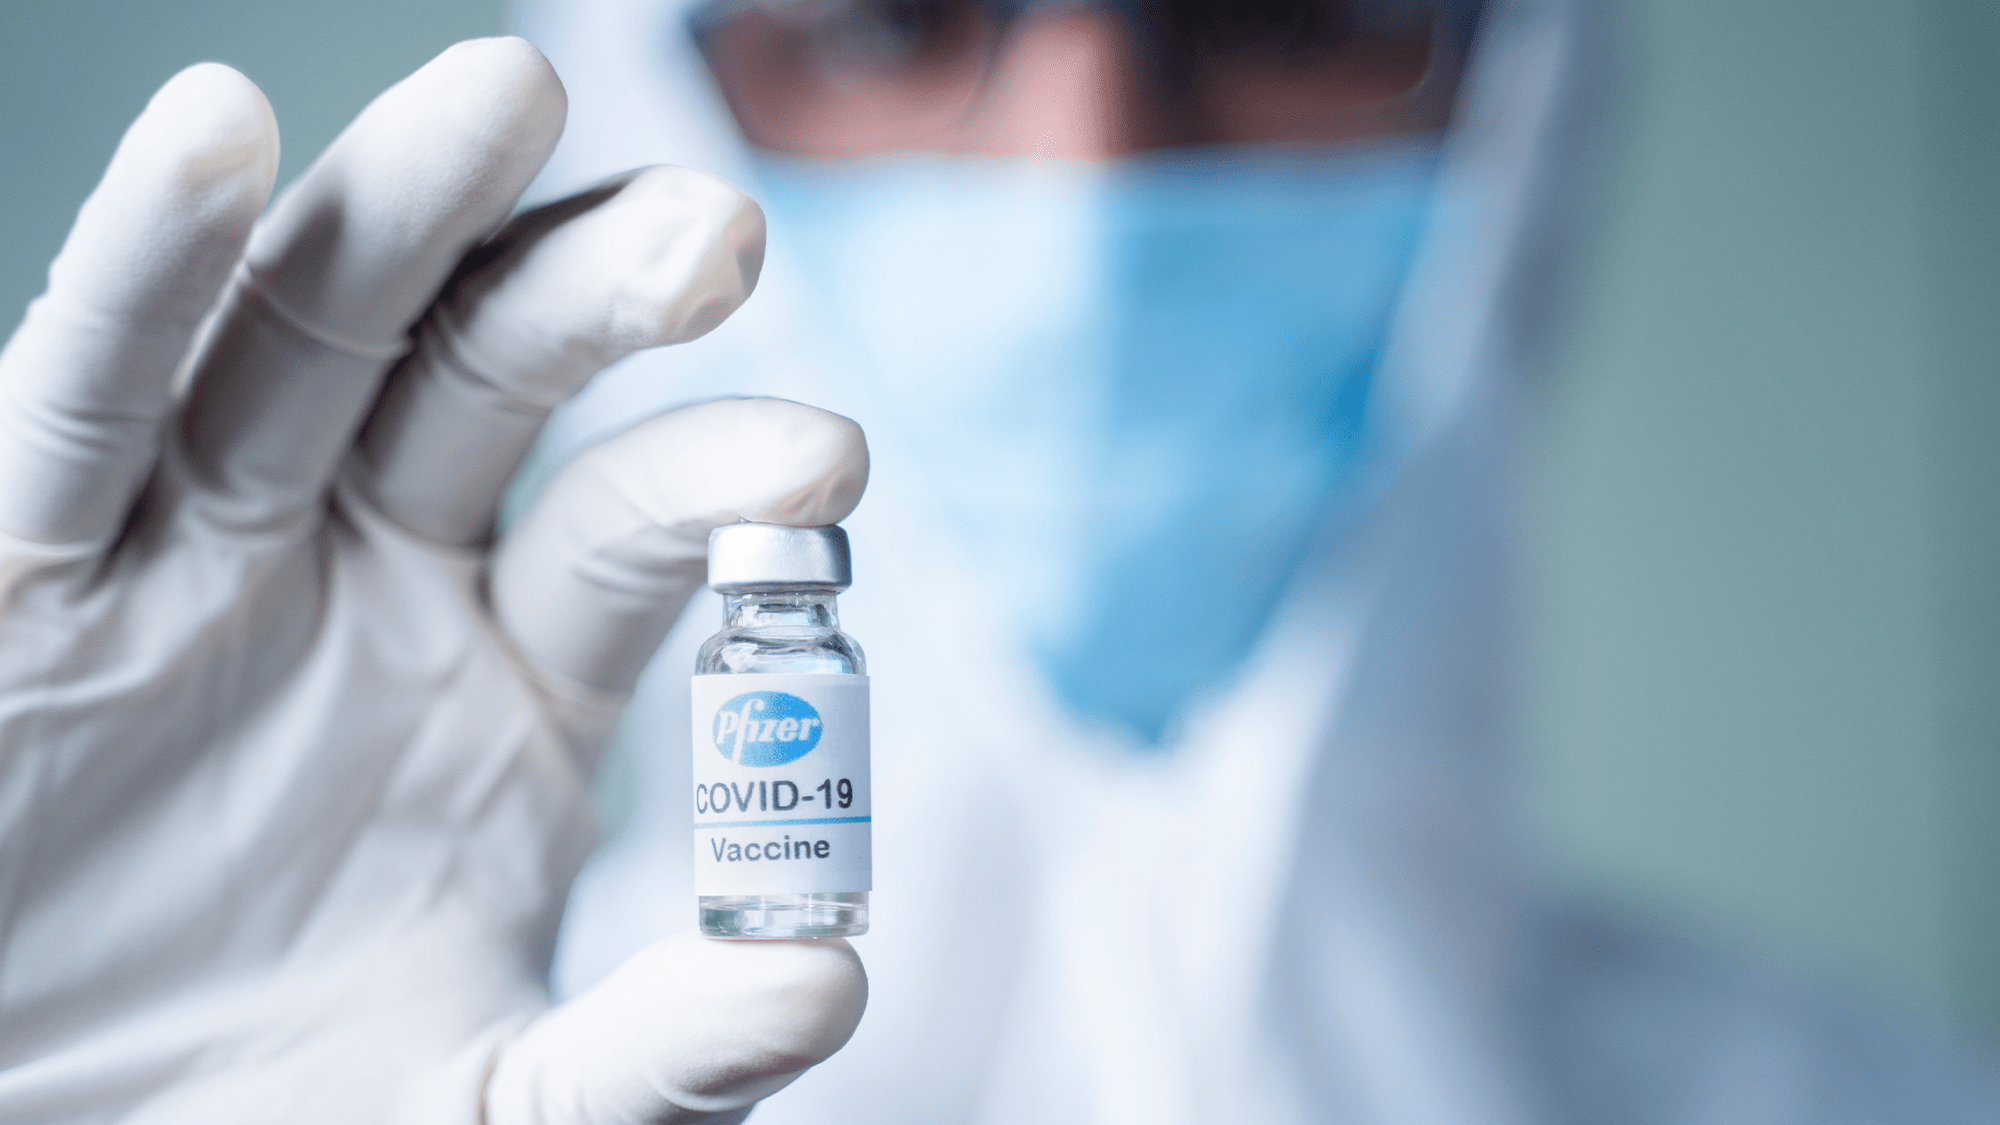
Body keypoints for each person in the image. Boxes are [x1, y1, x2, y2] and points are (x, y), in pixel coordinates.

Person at [0, 4, 1994, 1125]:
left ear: (1536, 109)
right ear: (642, 91)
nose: (1086, 177)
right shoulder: (294, 1053)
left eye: (1289, 4)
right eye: (879, 22)